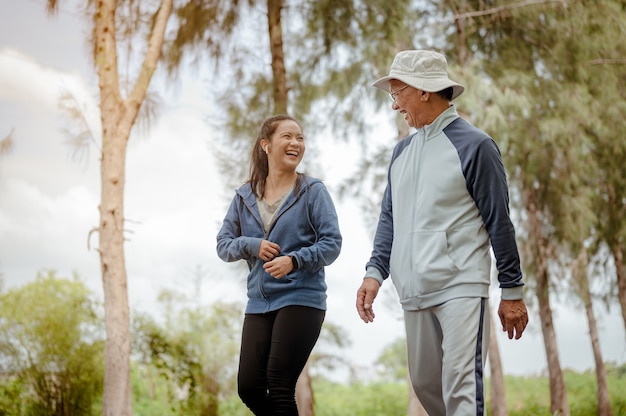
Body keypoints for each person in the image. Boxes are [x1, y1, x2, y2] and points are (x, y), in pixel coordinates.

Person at [355, 50, 529, 415]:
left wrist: (511, 290)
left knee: (461, 389)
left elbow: (499, 219)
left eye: (397, 92)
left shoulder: (476, 145)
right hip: (414, 291)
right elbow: (389, 217)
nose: (394, 105)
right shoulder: (401, 152)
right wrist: (375, 273)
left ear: (423, 91)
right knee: (425, 385)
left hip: (460, 285)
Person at [217, 114, 342, 415]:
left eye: (300, 138)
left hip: (302, 298)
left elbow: (332, 243)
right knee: (249, 388)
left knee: (279, 384)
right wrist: (252, 245)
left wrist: (294, 260)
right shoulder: (244, 196)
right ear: (266, 145)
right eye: (287, 136)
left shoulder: (313, 191)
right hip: (259, 302)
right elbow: (223, 245)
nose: (296, 143)